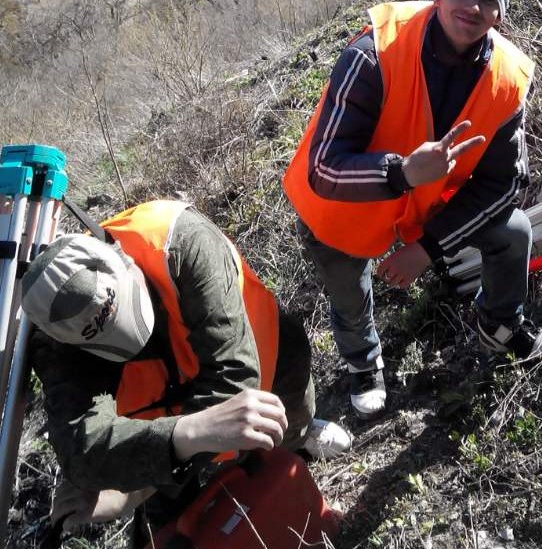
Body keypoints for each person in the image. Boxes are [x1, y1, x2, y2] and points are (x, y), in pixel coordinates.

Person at [284, 0, 540, 419]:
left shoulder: (507, 79)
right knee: (348, 289)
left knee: (513, 231)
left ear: (499, 15)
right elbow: (324, 168)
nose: (473, 7)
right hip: (344, 201)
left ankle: (499, 327)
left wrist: (428, 247)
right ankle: (363, 362)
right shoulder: (374, 53)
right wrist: (402, 173)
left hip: (426, 208)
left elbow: (504, 185)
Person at [21, 198, 350, 538]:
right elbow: (82, 452)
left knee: (289, 362)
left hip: (260, 369)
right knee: (176, 525)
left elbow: (235, 377)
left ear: (121, 257)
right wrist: (182, 437)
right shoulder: (55, 343)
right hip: (159, 426)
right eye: (103, 339)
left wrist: (137, 485)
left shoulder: (178, 241)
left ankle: (295, 441)